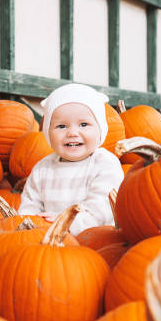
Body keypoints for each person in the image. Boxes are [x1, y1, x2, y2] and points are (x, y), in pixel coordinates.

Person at [18, 83, 124, 235]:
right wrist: (32, 222)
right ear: (48, 133)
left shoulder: (105, 164)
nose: (73, 133)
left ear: (100, 129)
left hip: (95, 242)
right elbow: (29, 205)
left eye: (83, 124)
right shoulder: (42, 168)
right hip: (48, 242)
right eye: (61, 126)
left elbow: (100, 210)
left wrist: (64, 223)